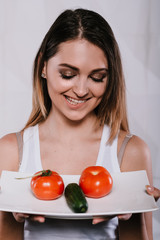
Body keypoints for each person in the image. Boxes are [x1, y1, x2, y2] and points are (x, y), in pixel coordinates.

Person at [0, 8, 154, 240]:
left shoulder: (131, 151)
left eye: (97, 77)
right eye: (68, 74)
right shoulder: (10, 150)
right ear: (43, 66)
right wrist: (12, 217)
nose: (81, 90)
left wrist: (134, 214)